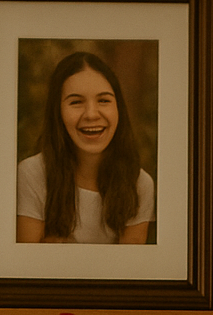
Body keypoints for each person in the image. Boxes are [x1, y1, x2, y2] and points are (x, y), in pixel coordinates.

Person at [16, 50, 155, 244]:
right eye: (76, 102)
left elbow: (130, 271)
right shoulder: (32, 174)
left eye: (104, 100)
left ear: (119, 109)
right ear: (58, 112)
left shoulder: (140, 184)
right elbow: (25, 266)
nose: (91, 114)